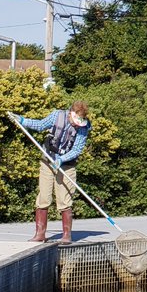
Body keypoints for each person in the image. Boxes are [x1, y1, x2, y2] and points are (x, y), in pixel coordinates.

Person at [14, 101, 91, 243]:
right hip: (47, 162)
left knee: (64, 200)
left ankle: (66, 235)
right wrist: (23, 121)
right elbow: (41, 125)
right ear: (70, 113)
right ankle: (40, 234)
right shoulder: (57, 115)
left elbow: (77, 149)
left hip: (66, 165)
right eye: (75, 121)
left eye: (79, 122)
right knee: (44, 197)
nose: (76, 125)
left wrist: (62, 159)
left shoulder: (83, 127)